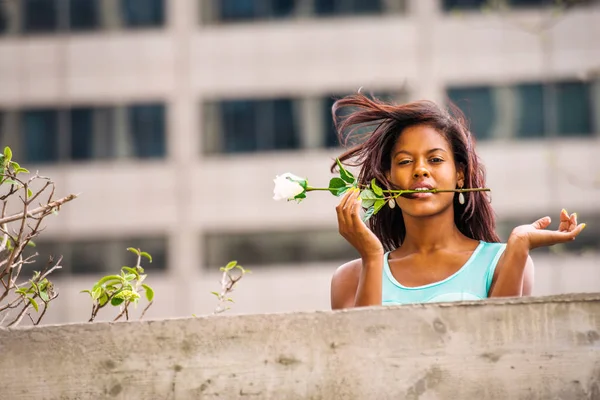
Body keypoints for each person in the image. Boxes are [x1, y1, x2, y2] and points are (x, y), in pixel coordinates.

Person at [329, 93, 586, 309]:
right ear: (387, 180)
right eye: (405, 161)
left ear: (459, 176)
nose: (420, 170)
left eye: (435, 160)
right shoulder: (350, 278)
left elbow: (496, 349)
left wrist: (519, 245)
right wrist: (372, 258)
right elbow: (364, 356)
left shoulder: (502, 262)